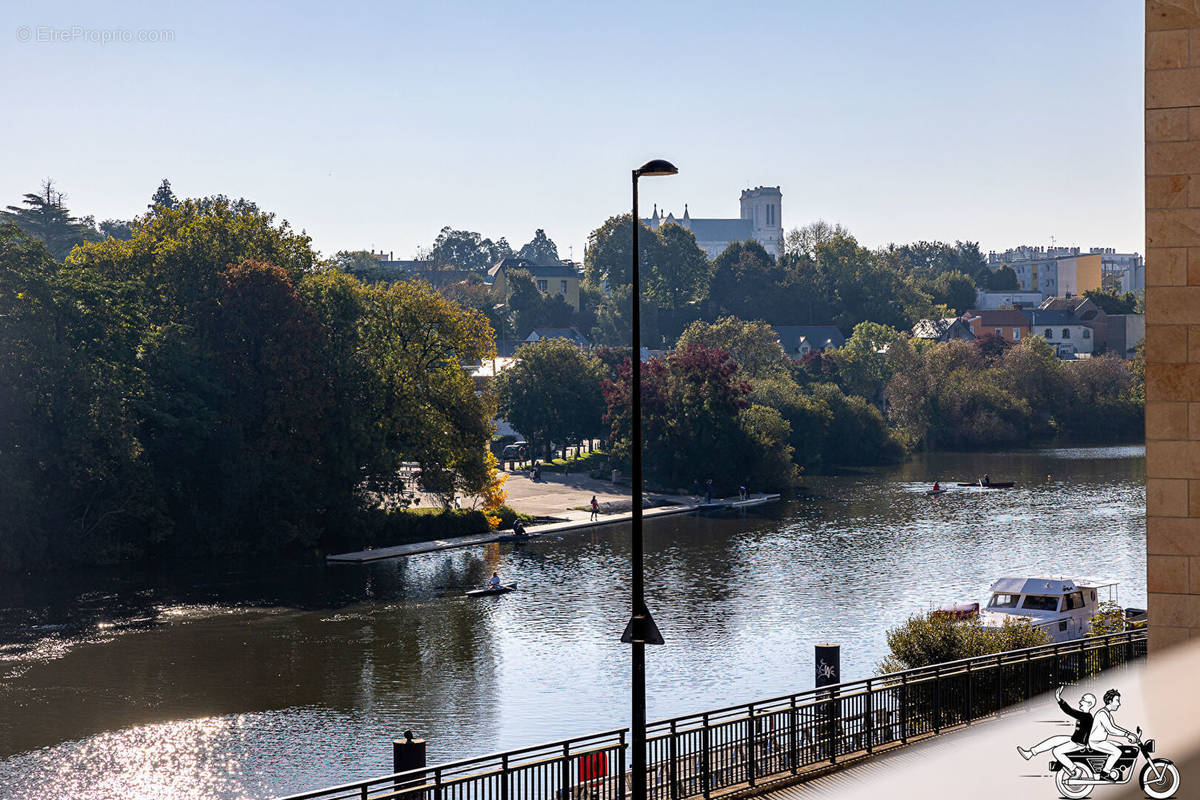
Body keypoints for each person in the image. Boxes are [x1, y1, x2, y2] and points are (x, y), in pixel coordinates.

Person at [1017, 686, 1095, 776]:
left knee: (1057, 751)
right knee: (1055, 740)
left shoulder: (1087, 717)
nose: (1080, 702)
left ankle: (1075, 770)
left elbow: (1070, 711)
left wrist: (1059, 699)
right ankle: (1030, 753)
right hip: (1075, 740)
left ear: (1089, 703)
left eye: (1083, 700)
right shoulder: (1084, 715)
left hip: (1078, 743)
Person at [1089, 689, 1136, 781]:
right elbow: (1111, 730)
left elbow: (1114, 726)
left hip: (1100, 741)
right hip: (1096, 742)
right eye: (1117, 701)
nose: (1119, 704)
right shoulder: (1102, 714)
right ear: (1110, 701)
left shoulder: (1107, 713)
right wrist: (1127, 735)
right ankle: (1105, 773)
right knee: (1117, 752)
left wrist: (1129, 733)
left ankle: (1114, 769)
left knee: (1120, 746)